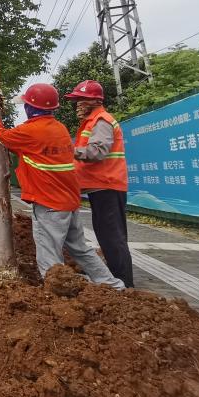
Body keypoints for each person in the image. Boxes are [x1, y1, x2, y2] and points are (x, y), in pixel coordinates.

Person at [0, 84, 125, 290]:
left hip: (48, 203)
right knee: (80, 248)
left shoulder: (30, 131)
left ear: (30, 108)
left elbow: (0, 136)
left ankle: (56, 294)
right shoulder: (59, 128)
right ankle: (113, 285)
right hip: (69, 200)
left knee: (49, 253)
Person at [65, 80, 134, 288]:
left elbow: (97, 151)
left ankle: (124, 284)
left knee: (112, 238)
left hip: (107, 186)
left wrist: (69, 150)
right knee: (108, 236)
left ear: (95, 100)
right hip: (102, 187)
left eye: (81, 99)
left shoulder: (101, 120)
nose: (77, 104)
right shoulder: (91, 121)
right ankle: (118, 279)